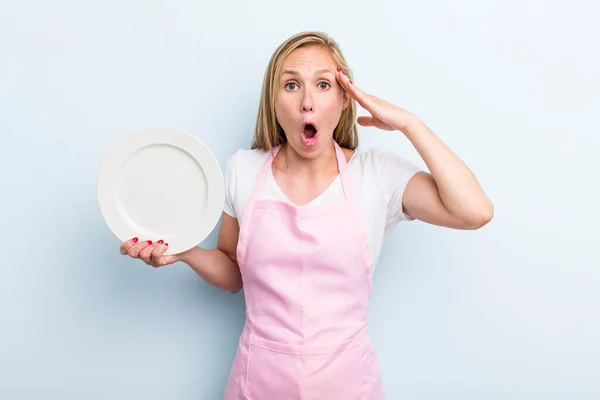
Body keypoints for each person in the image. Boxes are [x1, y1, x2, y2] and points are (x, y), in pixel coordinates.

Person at [119, 31, 493, 399]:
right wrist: (184, 251)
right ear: (274, 100)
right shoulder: (242, 170)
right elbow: (234, 273)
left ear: (346, 99)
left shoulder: (378, 175)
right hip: (258, 382)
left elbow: (474, 211)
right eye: (292, 85)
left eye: (324, 85)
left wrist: (410, 124)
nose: (307, 103)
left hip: (348, 385)